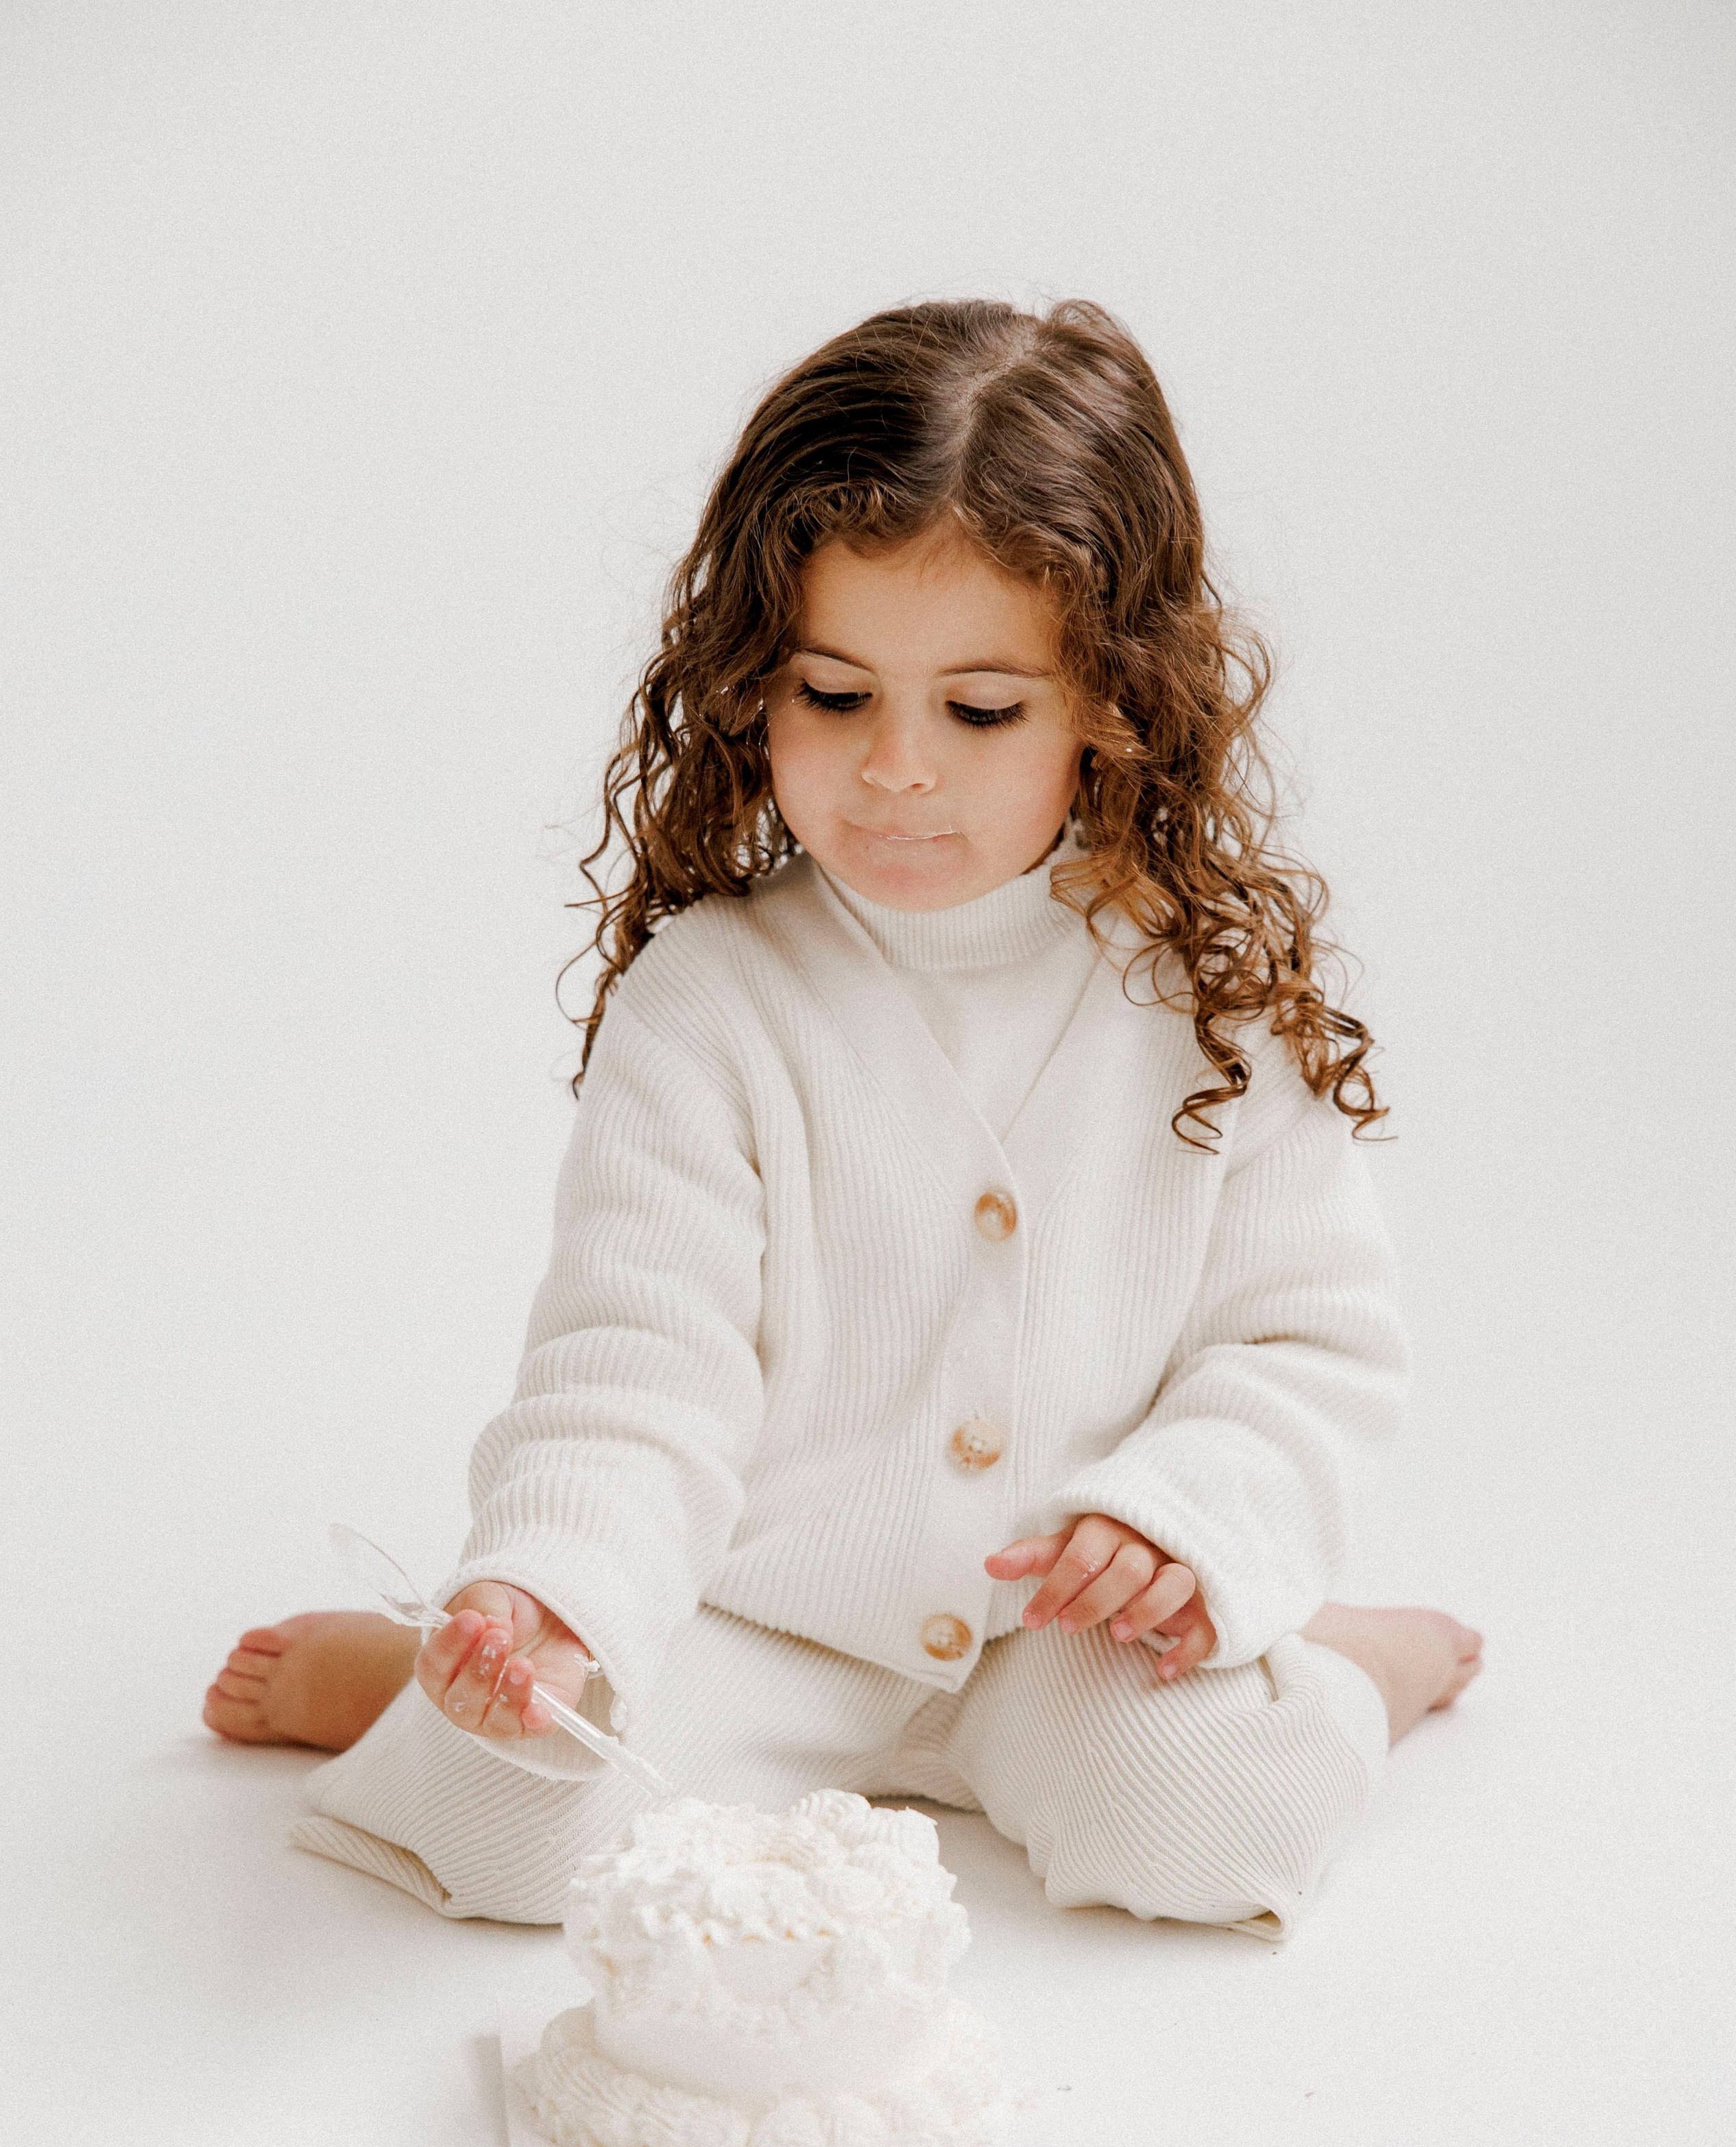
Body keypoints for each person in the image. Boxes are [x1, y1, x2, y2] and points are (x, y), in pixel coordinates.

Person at [204, 298, 1481, 1937]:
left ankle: (1343, 1662)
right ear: (752, 679)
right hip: (753, 1612)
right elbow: (635, 1365)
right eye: (830, 691)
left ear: (1109, 696)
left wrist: (1182, 1522)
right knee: (512, 1836)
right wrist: (559, 1595)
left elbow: (1302, 1346)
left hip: (1060, 1633)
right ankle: (427, 1669)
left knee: (1214, 1824)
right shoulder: (711, 999)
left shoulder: (1206, 998)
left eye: (977, 710)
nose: (894, 770)